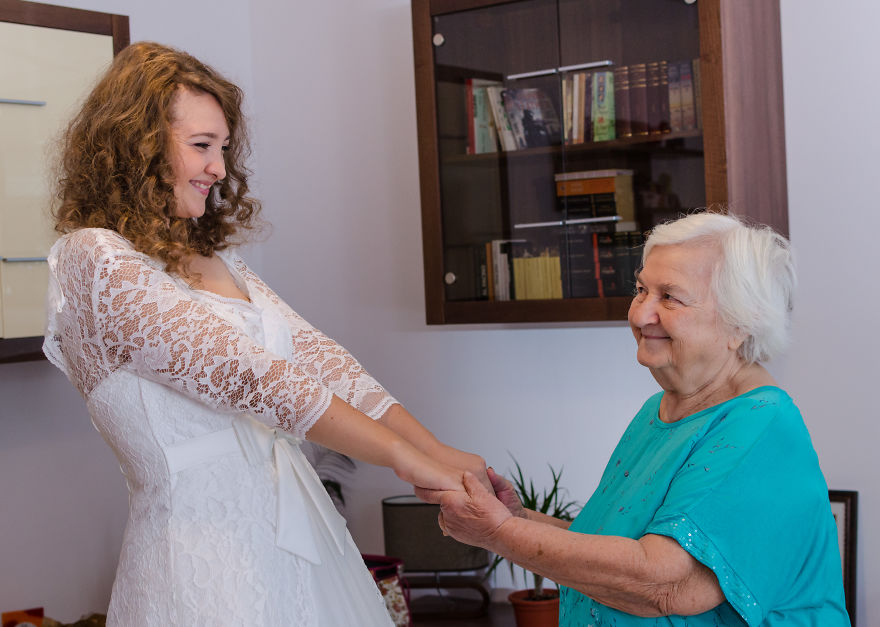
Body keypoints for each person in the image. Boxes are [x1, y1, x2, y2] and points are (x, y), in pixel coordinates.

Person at [43, 41, 483, 626]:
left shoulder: (215, 258)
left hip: (299, 546)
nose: (219, 169)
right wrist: (405, 461)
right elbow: (255, 379)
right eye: (201, 146)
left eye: (223, 149)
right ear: (138, 147)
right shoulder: (92, 258)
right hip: (204, 566)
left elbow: (321, 361)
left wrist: (436, 449)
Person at [420, 212, 850, 625]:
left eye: (669, 297)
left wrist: (497, 535)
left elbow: (666, 583)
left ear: (742, 322)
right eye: (641, 290)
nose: (641, 314)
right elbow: (619, 546)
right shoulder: (661, 409)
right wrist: (516, 520)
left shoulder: (762, 424)